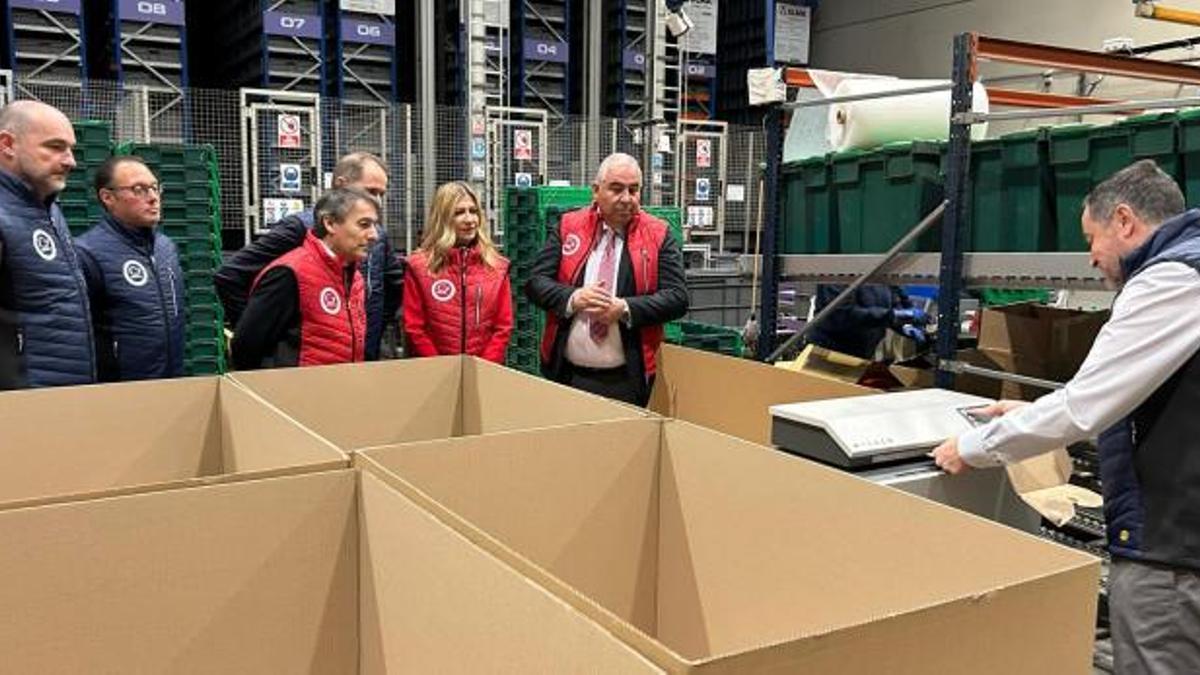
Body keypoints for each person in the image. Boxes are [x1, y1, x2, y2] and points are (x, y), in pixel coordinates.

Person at [931, 160, 1200, 674]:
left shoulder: (1172, 279)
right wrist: (1036, 410)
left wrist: (970, 449)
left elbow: (1084, 406)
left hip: (1171, 553)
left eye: (1091, 238)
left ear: (1124, 221)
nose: (1091, 257)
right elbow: (1145, 397)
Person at [525, 152, 688, 406]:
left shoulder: (659, 235)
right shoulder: (568, 226)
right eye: (616, 189)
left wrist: (624, 308)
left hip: (628, 380)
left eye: (633, 190)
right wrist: (573, 298)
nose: (626, 198)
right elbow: (536, 283)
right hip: (566, 375)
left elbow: (677, 298)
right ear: (595, 191)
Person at [215, 152, 402, 360]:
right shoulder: (299, 231)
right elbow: (231, 277)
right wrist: (275, 342)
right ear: (341, 185)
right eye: (370, 191)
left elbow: (392, 287)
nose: (377, 201)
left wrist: (370, 336)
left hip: (357, 363)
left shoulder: (377, 238)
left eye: (381, 195)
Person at [0, 100, 96, 389]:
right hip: (21, 409)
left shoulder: (48, 211)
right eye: (55, 147)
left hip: (56, 401)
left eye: (70, 148)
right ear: (7, 145)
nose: (70, 161)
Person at [231, 187, 379, 369]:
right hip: (296, 393)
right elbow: (246, 346)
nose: (374, 235)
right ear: (330, 224)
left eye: (374, 225)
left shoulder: (354, 277)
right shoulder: (289, 273)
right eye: (364, 224)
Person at [74, 156, 184, 381]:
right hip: (120, 392)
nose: (153, 198)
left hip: (172, 383)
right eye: (139, 190)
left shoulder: (166, 248)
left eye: (155, 188)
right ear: (107, 197)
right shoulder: (87, 253)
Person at [403, 181, 512, 362]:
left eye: (473, 211)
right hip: (434, 372)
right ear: (443, 218)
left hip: (483, 371)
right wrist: (441, 367)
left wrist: (483, 366)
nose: (470, 220)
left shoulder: (497, 267)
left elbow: (503, 327)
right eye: (459, 212)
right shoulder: (418, 267)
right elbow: (414, 327)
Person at [804, 284, 929, 359]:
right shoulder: (839, 268)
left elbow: (896, 300)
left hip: (863, 352)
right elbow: (842, 315)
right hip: (828, 353)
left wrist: (905, 325)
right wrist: (894, 315)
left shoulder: (885, 270)